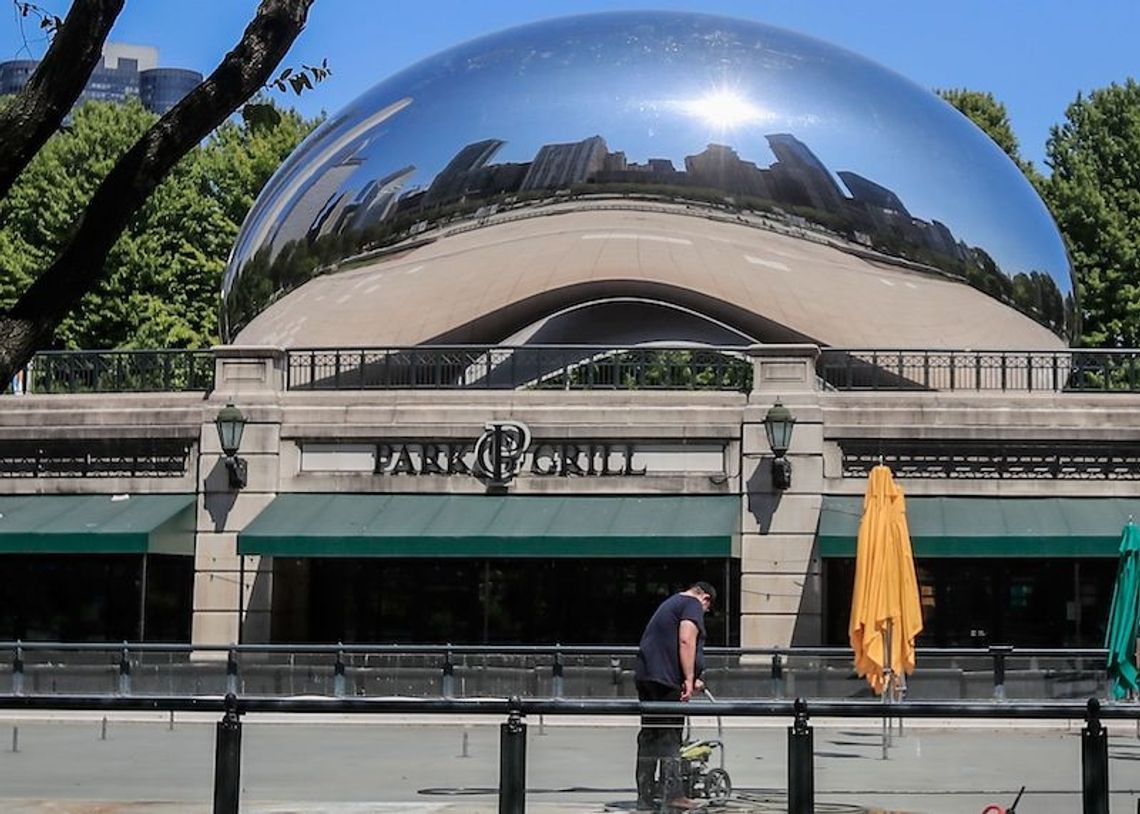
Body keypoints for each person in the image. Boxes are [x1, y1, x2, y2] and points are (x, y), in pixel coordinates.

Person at [633, 581, 716, 811]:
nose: (704, 614)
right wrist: (689, 679)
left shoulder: (671, 603)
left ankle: (645, 795)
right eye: (707, 610)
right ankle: (673, 795)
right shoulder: (692, 604)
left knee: (650, 734)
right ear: (705, 598)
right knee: (670, 735)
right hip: (665, 681)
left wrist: (689, 676)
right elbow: (686, 639)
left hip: (648, 675)